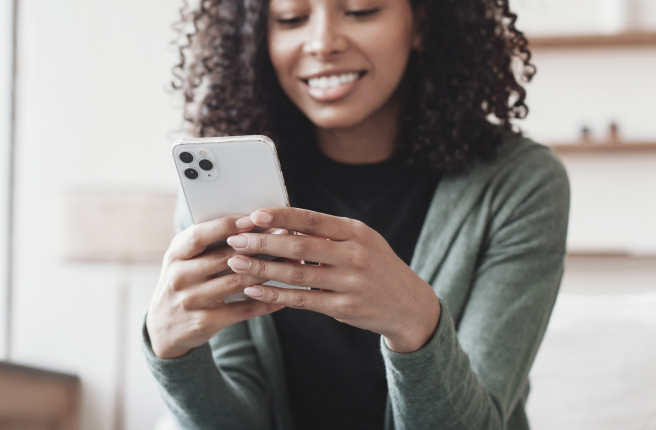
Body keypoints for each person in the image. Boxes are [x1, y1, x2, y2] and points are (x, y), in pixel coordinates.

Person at [143, 0, 570, 429]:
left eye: (361, 10)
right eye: (291, 19)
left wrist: (415, 321)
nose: (323, 43)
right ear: (257, 40)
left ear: (421, 23)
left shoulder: (519, 182)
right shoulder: (226, 194)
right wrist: (172, 354)